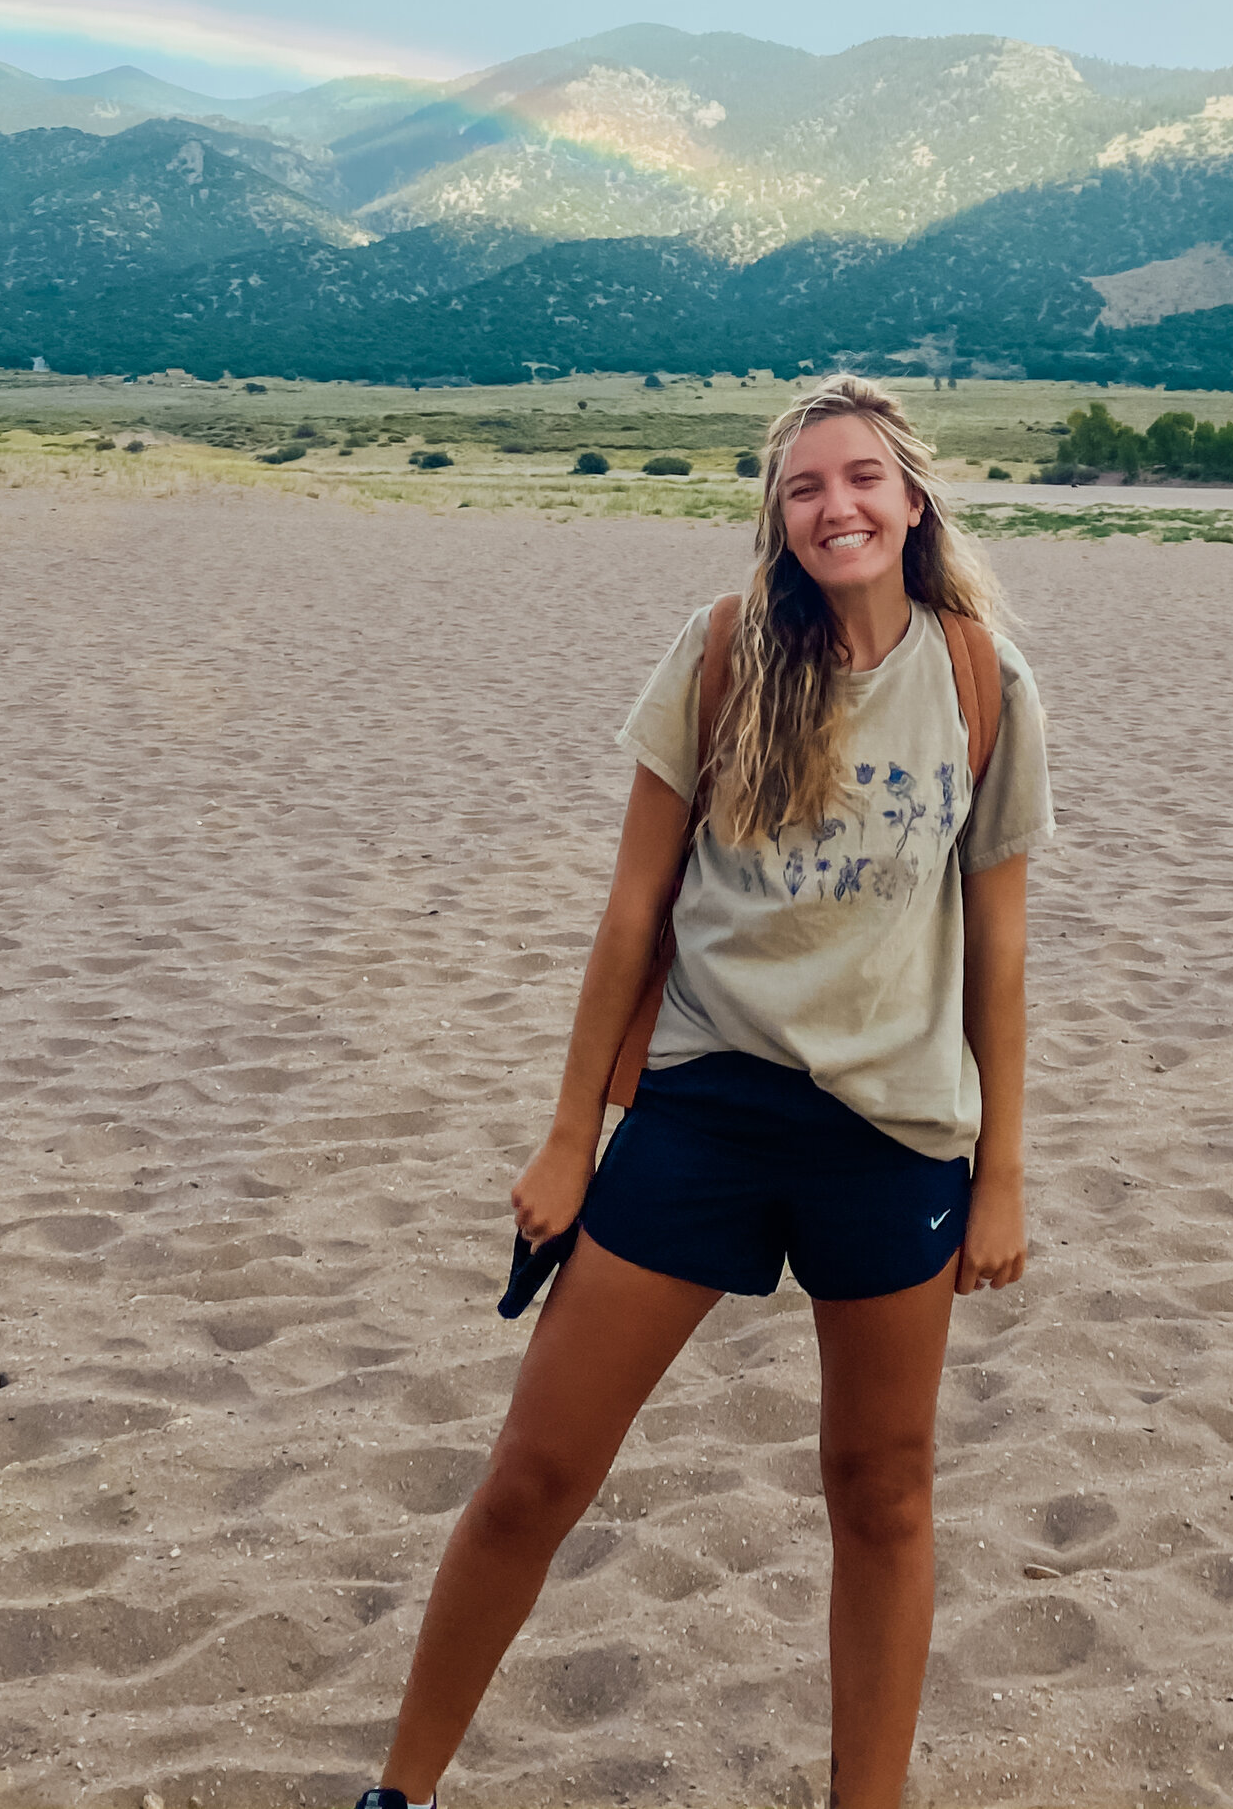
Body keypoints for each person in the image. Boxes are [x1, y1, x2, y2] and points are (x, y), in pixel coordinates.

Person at [353, 373, 1054, 1809]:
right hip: (705, 1106)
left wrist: (1003, 1173)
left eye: (862, 477)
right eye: (804, 486)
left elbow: (1001, 950)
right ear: (778, 516)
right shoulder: (727, 651)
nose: (834, 504)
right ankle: (400, 1791)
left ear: (913, 499)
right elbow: (630, 910)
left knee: (883, 1490)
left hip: (895, 1135)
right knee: (536, 1472)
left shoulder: (984, 680)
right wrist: (569, 1140)